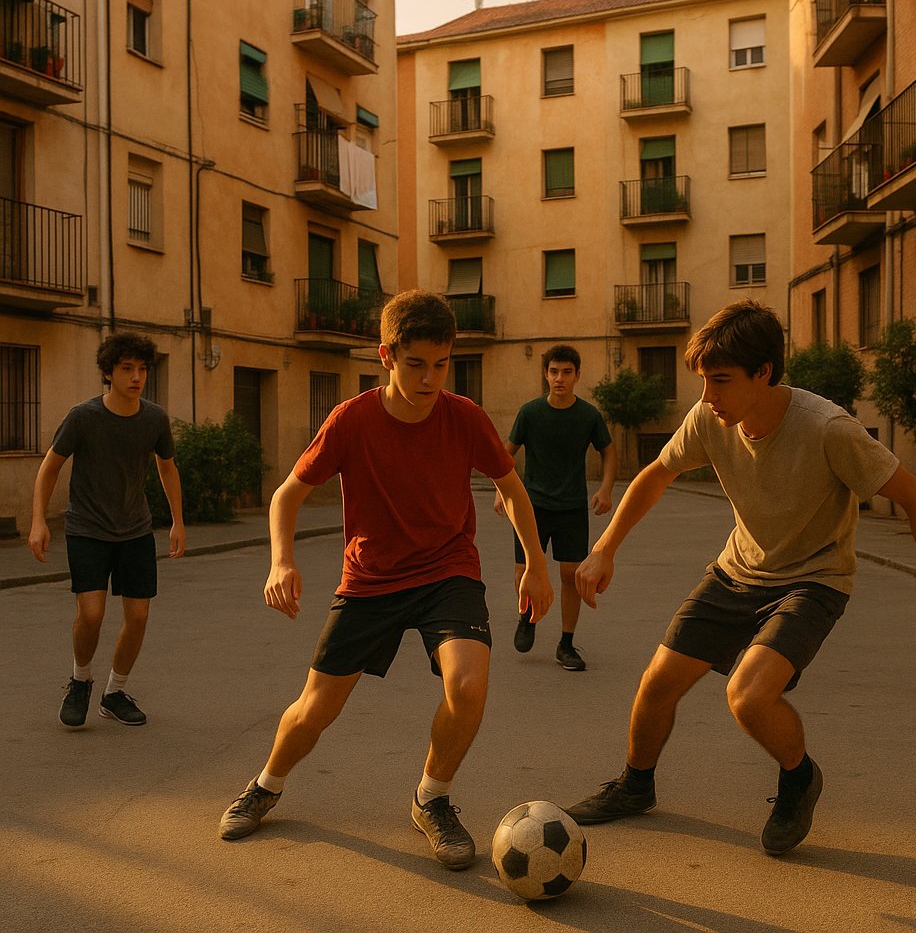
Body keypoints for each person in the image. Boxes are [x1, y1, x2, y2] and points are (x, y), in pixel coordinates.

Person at [565, 299, 916, 855]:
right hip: (737, 572)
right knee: (657, 683)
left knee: (749, 697)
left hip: (813, 579)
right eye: (704, 381)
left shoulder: (827, 429)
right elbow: (656, 474)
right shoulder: (710, 418)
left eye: (721, 381)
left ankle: (799, 778)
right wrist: (604, 548)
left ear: (765, 373)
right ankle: (635, 786)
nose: (708, 396)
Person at [218, 290, 554, 870]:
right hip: (371, 578)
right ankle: (267, 784)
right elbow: (286, 495)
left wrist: (536, 566)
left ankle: (432, 798)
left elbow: (513, 490)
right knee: (314, 708)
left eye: (441, 364)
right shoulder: (352, 420)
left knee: (468, 686)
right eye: (416, 364)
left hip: (448, 568)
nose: (430, 378)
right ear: (386, 357)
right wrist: (280, 561)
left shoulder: (464, 416)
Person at [28, 333, 186, 729]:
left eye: (142, 369)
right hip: (87, 528)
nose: (136, 377)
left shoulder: (154, 418)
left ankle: (115, 692)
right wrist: (38, 521)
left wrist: (178, 521)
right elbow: (49, 468)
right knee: (93, 613)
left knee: (138, 617)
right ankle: (80, 681)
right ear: (108, 373)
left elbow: (167, 468)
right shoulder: (83, 417)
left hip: (135, 530)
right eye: (127, 369)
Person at [494, 344, 616, 671]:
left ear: (577, 376)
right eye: (553, 371)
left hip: (572, 507)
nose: (559, 378)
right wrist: (500, 491)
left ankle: (566, 644)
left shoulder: (588, 415)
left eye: (566, 372)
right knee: (524, 570)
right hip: (532, 506)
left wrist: (605, 488)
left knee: (571, 575)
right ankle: (528, 617)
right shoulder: (530, 412)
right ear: (546, 374)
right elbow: (505, 454)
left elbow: (608, 451)